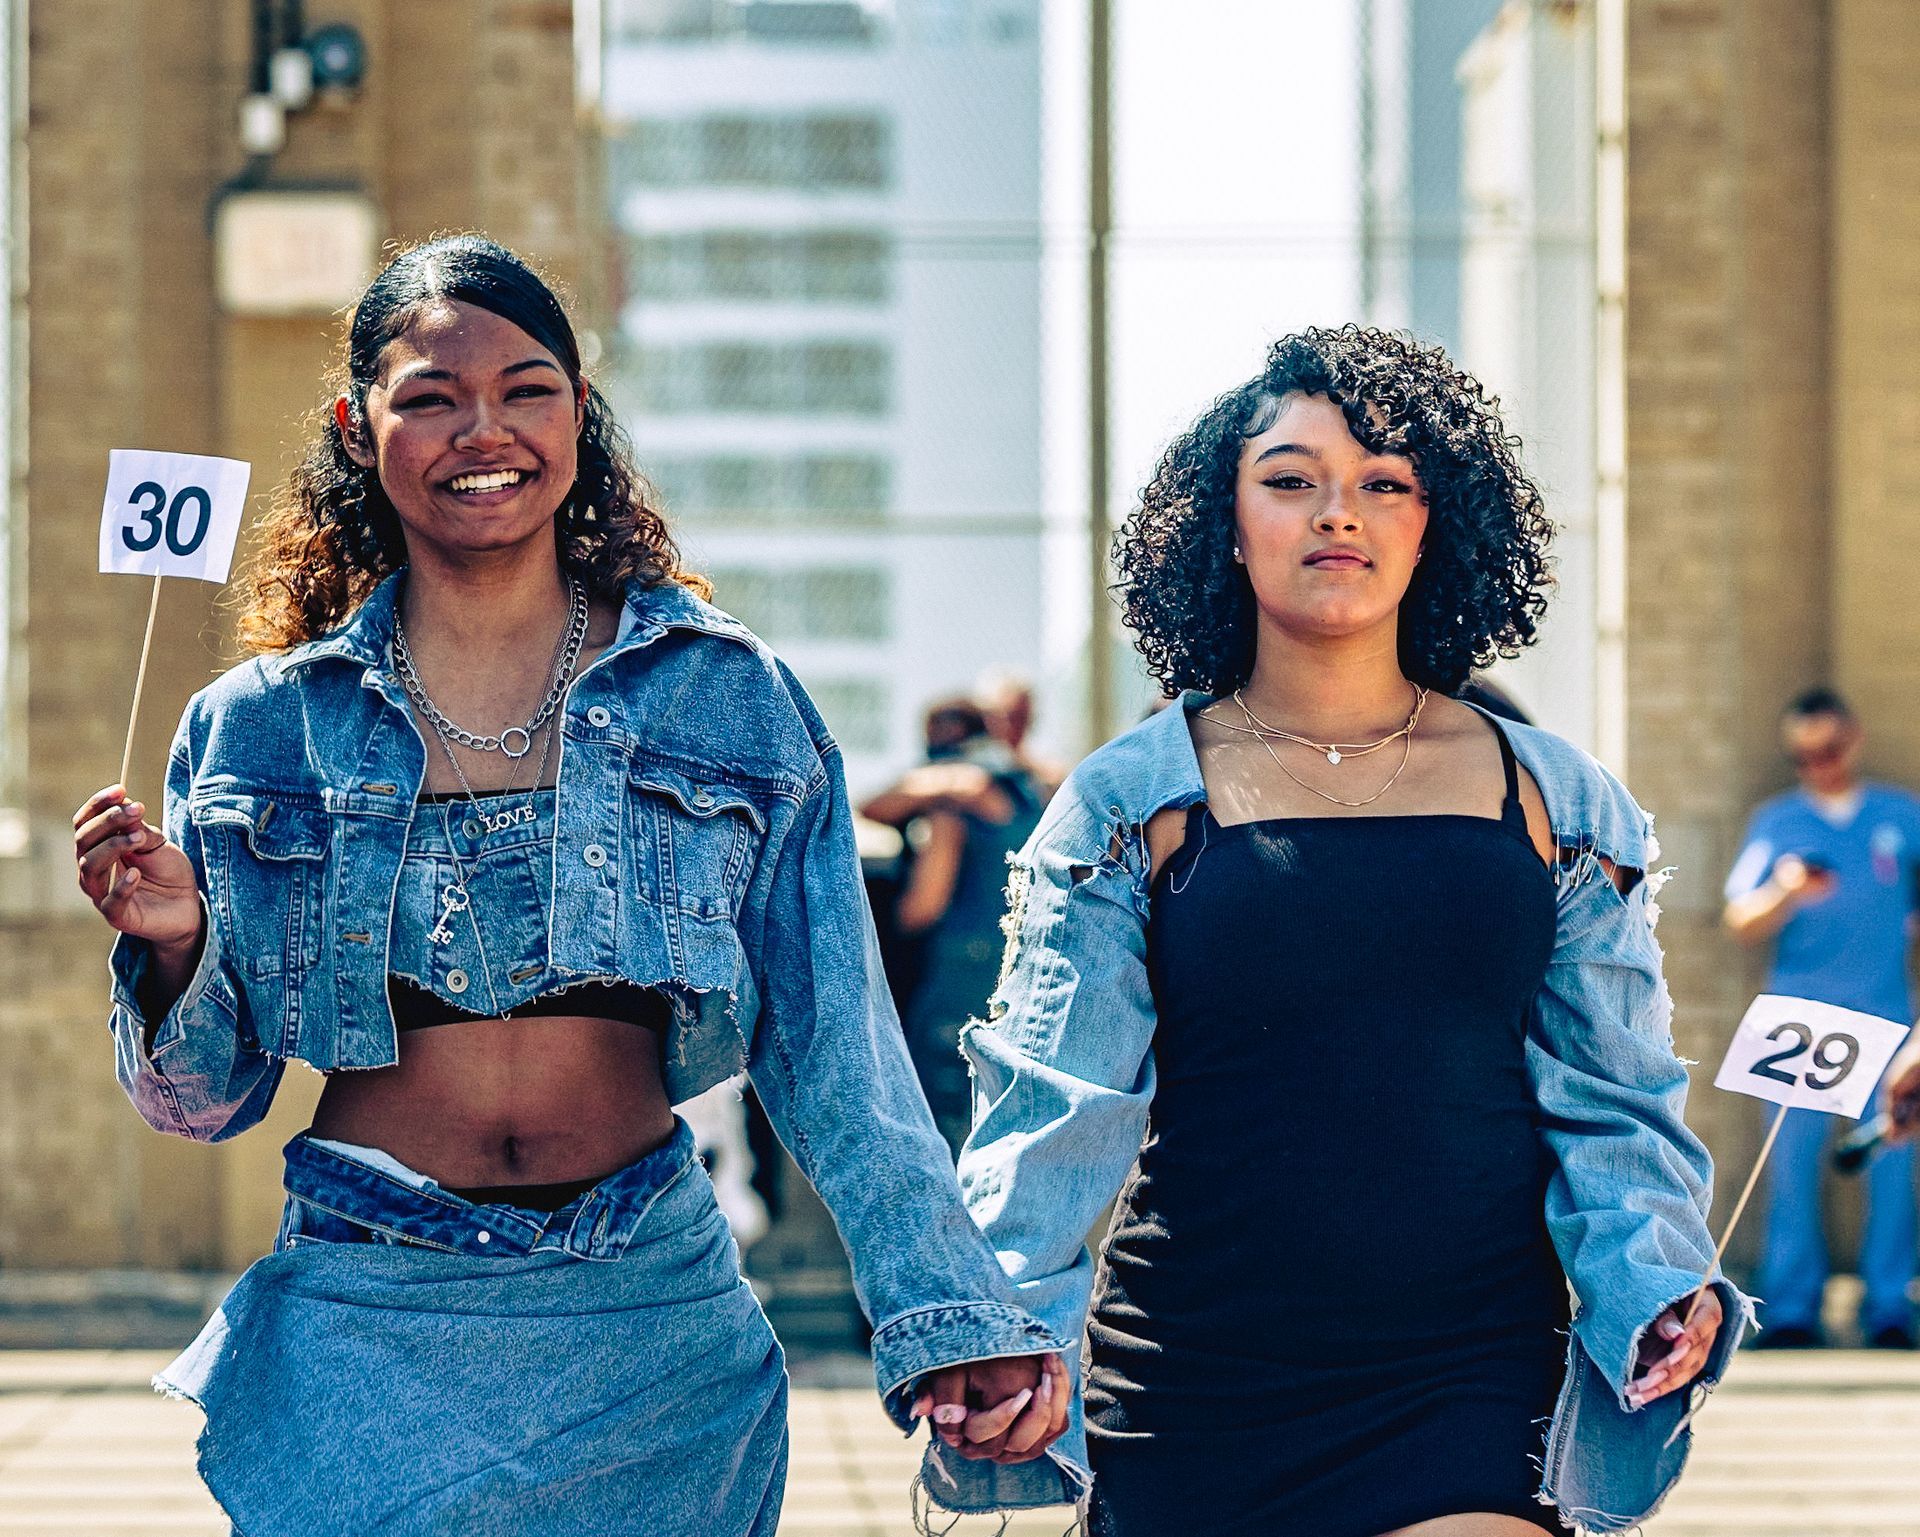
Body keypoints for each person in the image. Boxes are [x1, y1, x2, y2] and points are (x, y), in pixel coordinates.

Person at [73, 236, 1068, 1537]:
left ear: (579, 410)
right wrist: (173, 946)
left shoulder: (726, 695)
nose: (482, 430)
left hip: (650, 1324)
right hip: (370, 1319)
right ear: (359, 427)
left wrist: (948, 1313)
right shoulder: (256, 726)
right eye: (431, 396)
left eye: (526, 388)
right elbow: (199, 1103)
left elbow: (841, 1055)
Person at [918, 327, 1749, 1536]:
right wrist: (992, 1323)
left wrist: (1660, 1281)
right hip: (1195, 1382)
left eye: (1384, 483)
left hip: (1471, 1373)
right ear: (1228, 522)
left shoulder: (1557, 802)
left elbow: (1615, 1097)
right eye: (1291, 478)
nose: (1337, 512)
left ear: (1433, 524)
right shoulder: (1129, 802)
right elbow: (1054, 1106)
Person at [1724, 688, 1920, 1349]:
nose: (1819, 766)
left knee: (1892, 1161)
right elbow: (1740, 919)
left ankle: (1889, 1305)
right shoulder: (1776, 822)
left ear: (1853, 739)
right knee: (1789, 1165)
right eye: (1803, 757)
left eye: (1830, 750)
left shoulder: (1900, 814)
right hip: (1796, 1019)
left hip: (1886, 1012)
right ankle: (1789, 1307)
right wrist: (1784, 890)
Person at [893, 698, 1048, 1154]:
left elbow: (923, 906)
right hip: (1019, 968)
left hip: (957, 973)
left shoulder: (951, 803)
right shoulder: (1031, 788)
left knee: (942, 1124)